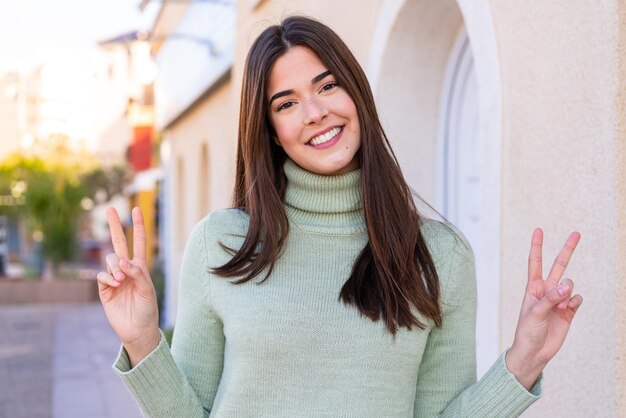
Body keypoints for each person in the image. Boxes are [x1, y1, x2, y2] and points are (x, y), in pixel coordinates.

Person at [97, 16, 583, 417]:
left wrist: (524, 362)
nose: (314, 112)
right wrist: (142, 340)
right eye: (286, 103)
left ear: (357, 94)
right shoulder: (221, 244)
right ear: (270, 132)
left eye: (327, 86)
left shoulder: (440, 257)